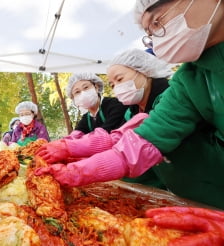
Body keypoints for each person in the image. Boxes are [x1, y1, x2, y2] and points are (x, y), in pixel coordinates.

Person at [36, 0, 224, 210]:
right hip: (205, 205)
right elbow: (139, 142)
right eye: (150, 32)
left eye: (156, 21)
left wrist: (71, 153)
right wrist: (74, 168)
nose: (156, 37)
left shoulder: (159, 94)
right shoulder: (189, 79)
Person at [108, 48, 172, 188]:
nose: (116, 88)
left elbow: (136, 149)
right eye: (112, 85)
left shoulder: (169, 98)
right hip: (158, 185)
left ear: (144, 71)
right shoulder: (131, 112)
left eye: (119, 79)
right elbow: (118, 141)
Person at [65, 72, 128, 140]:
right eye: (77, 92)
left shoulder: (116, 104)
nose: (83, 93)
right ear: (74, 99)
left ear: (96, 87)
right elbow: (74, 136)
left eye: (86, 87)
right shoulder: (87, 118)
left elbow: (105, 133)